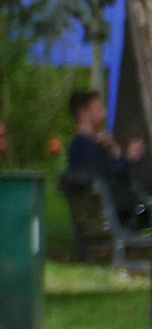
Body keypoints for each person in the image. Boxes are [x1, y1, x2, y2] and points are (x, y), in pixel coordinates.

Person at [58, 89, 147, 265]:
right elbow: (105, 182)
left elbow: (111, 176)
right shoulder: (83, 147)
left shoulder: (92, 146)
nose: (104, 112)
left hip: (110, 212)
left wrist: (116, 153)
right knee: (146, 202)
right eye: (98, 107)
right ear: (83, 113)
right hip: (107, 216)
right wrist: (128, 158)